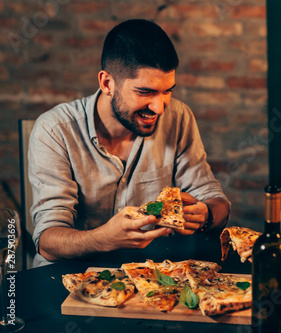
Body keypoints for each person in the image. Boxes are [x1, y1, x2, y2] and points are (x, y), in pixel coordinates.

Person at [28, 19, 230, 267]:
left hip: (151, 276)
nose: (159, 107)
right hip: (68, 277)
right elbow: (48, 241)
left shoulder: (179, 117)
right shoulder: (54, 130)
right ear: (107, 84)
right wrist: (103, 239)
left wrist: (207, 215)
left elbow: (217, 202)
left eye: (167, 91)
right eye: (145, 92)